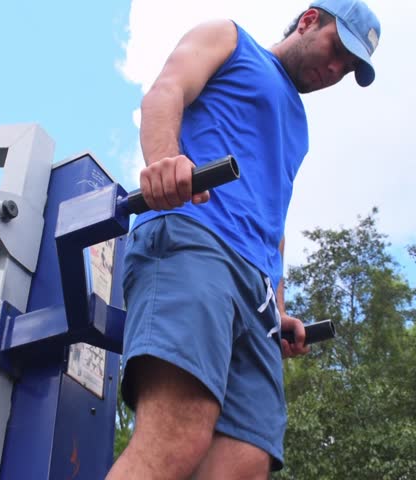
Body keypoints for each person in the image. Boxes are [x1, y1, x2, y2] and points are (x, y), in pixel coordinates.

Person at [107, 0, 381, 478]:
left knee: (244, 462)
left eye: (349, 68)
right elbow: (166, 91)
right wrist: (165, 160)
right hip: (195, 240)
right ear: (309, 20)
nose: (335, 69)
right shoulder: (230, 38)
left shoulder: (300, 126)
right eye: (337, 49)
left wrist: (278, 306)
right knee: (178, 436)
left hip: (255, 291)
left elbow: (273, 216)